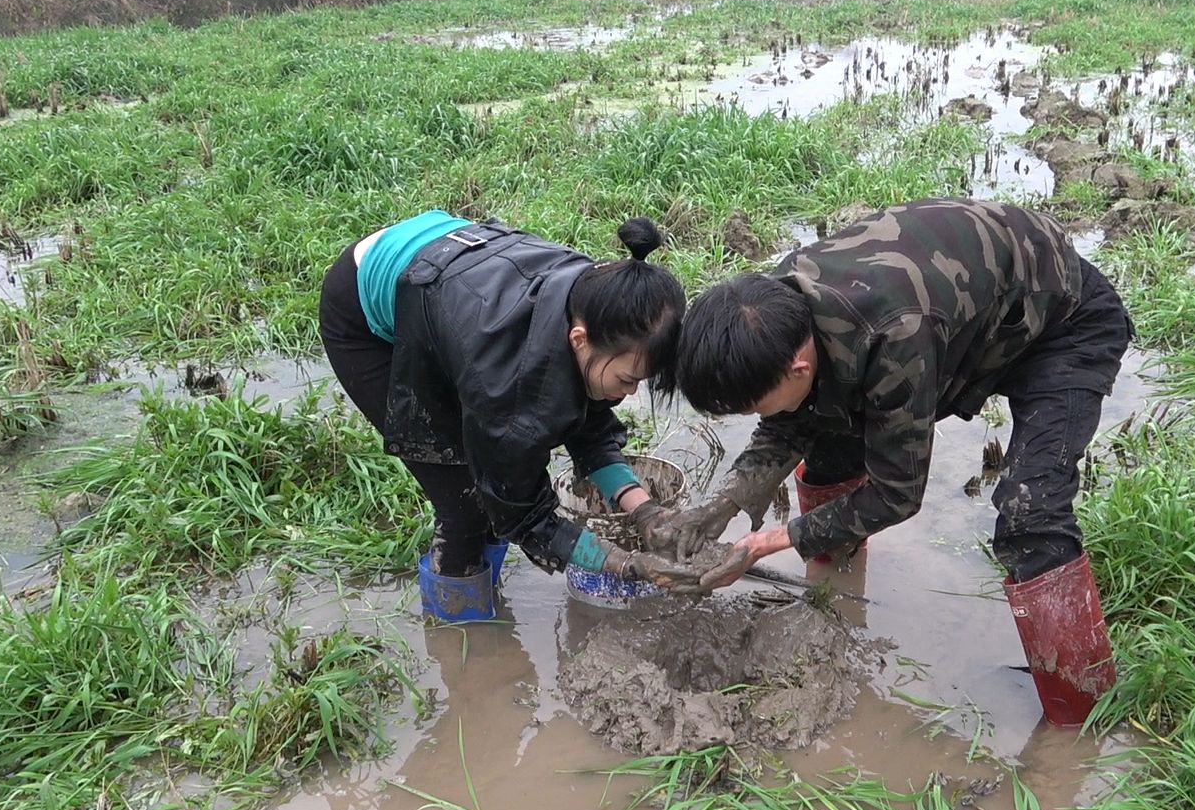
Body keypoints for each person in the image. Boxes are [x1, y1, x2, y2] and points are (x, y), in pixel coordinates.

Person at [665, 198, 1131, 726]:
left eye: (751, 403)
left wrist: (764, 543)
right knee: (830, 445)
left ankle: (1083, 716)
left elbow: (897, 493)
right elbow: (788, 422)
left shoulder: (894, 339)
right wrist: (721, 505)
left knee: (1032, 514)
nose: (752, 414)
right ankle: (833, 604)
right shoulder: (770, 309)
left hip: (1064, 319)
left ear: (796, 366)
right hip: (972, 307)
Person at [319, 210, 739, 622]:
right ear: (579, 338)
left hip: (446, 263)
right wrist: (626, 565)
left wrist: (646, 512)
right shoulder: (507, 384)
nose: (629, 392)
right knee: (466, 504)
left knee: (487, 478)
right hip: (365, 299)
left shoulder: (597, 303)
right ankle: (462, 638)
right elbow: (523, 515)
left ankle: (482, 595)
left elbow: (589, 425)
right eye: (629, 378)